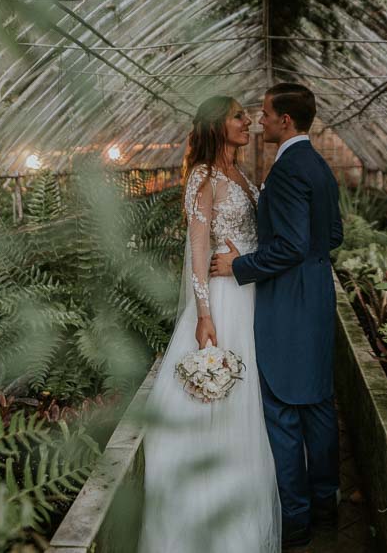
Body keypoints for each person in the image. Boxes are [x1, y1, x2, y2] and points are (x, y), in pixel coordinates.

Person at [138, 96, 281, 553]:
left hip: (250, 291)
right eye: (239, 115)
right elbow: (199, 249)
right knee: (221, 402)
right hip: (223, 300)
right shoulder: (204, 175)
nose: (249, 122)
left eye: (248, 115)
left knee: (247, 401)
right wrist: (204, 315)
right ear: (217, 124)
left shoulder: (242, 173)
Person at [210, 82, 344, 549]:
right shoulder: (319, 166)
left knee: (284, 410)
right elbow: (333, 233)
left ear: (286, 120)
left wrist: (239, 266)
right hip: (317, 296)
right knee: (319, 405)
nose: (259, 121)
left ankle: (297, 519)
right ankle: (327, 503)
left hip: (288, 302)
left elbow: (287, 246)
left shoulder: (287, 170)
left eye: (265, 114)